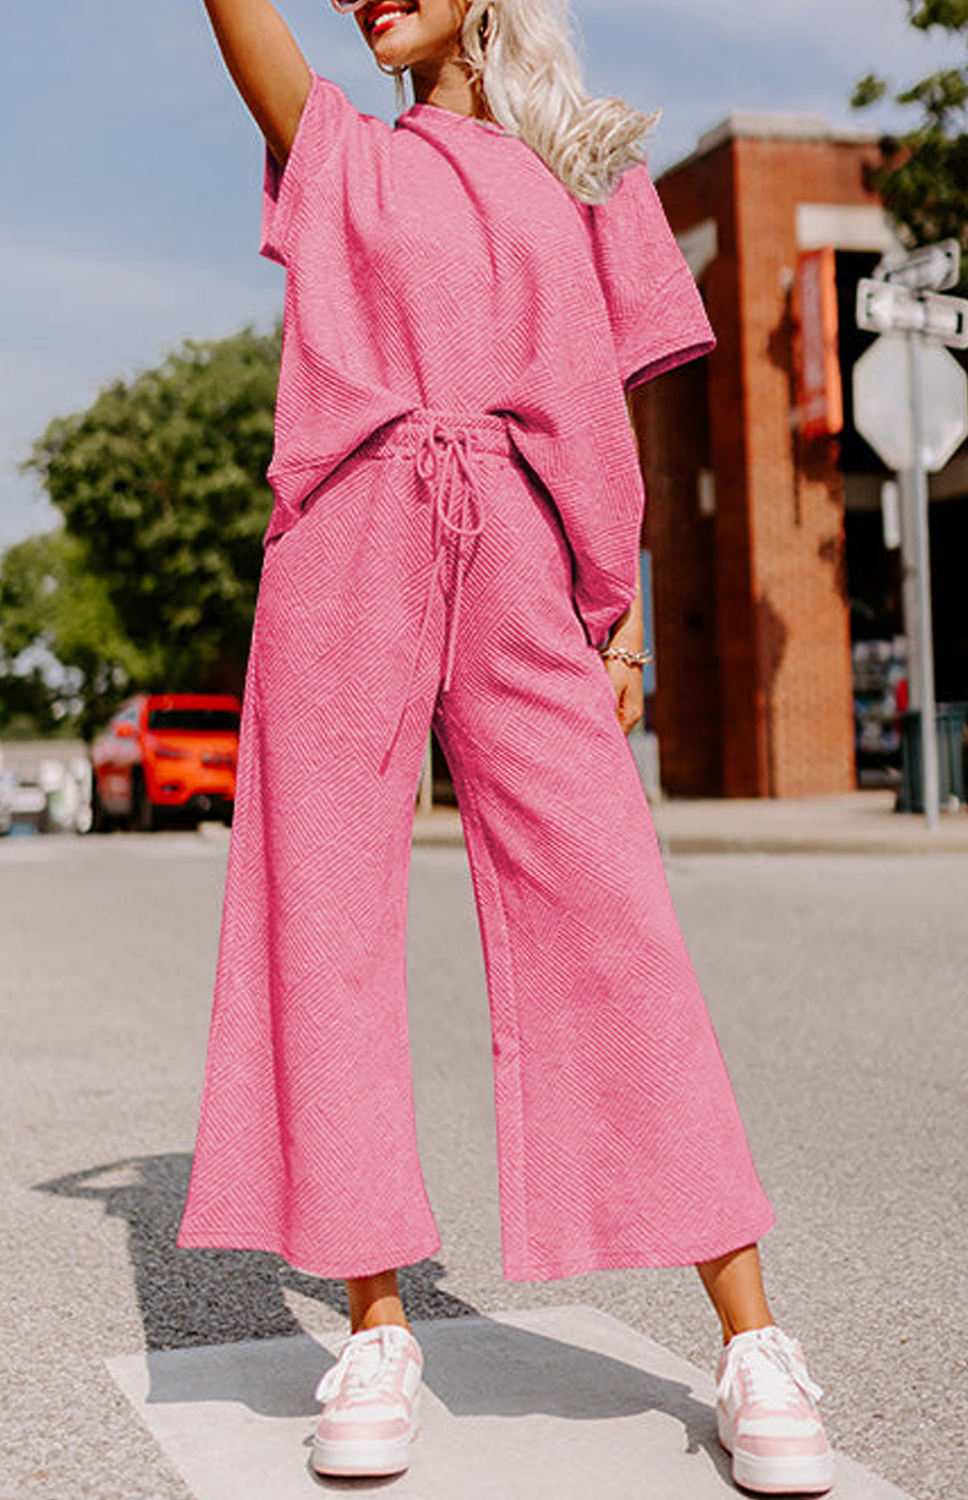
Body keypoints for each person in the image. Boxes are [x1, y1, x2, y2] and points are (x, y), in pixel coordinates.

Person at [178, 0, 834, 1490]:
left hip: (528, 554)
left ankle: (748, 1336)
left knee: (613, 925)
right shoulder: (340, 150)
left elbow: (604, 417)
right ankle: (374, 1318)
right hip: (346, 535)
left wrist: (618, 621)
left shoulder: (590, 169)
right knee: (323, 920)